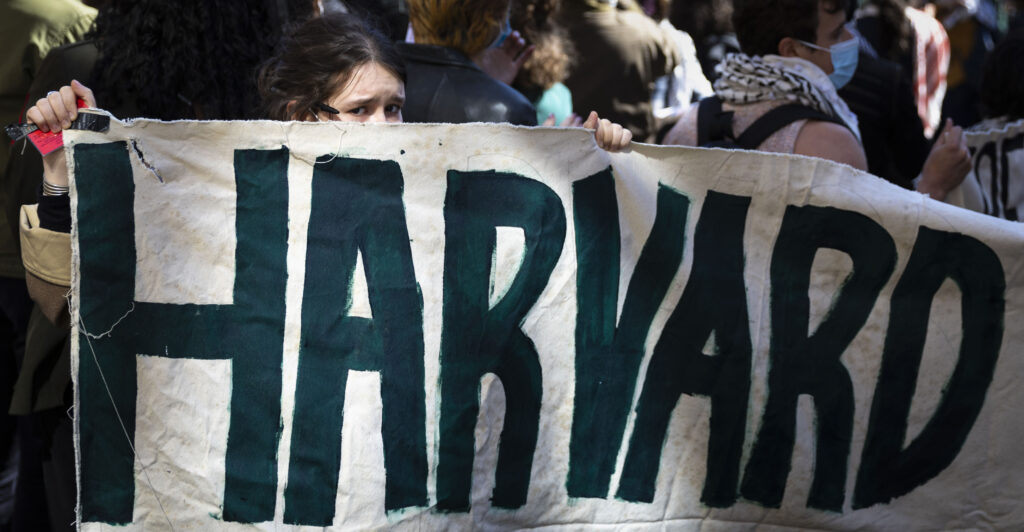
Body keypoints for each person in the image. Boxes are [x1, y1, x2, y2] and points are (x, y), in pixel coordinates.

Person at [664, 0, 968, 201]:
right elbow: (865, 262)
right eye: (836, 34)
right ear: (791, 50)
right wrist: (933, 186)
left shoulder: (689, 125)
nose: (851, 40)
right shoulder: (831, 144)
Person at [559, 0, 680, 142]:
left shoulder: (550, 27)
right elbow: (671, 56)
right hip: (632, 146)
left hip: (571, 142)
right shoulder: (637, 28)